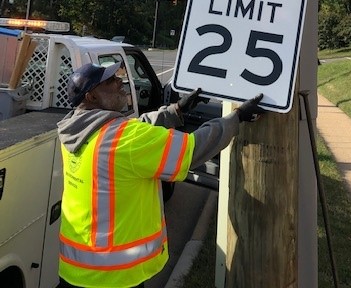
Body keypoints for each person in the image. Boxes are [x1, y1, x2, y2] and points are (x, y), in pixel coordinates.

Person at [56, 61, 264, 288]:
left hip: (75, 271)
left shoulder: (76, 130)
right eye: (110, 81)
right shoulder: (124, 140)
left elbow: (136, 126)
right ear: (92, 97)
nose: (121, 82)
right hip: (112, 278)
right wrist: (237, 118)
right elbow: (192, 149)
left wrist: (176, 111)